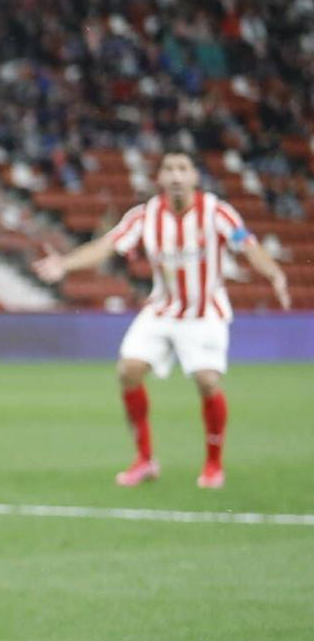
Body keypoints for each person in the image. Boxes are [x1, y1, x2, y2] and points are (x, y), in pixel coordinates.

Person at [35, 152, 291, 489]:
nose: (175, 175)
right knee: (128, 370)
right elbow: (106, 245)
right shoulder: (144, 216)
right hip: (162, 309)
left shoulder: (216, 212)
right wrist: (65, 264)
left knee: (207, 381)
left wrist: (274, 274)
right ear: (159, 178)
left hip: (204, 312)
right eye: (169, 169)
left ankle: (213, 464)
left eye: (182, 169)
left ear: (194, 177)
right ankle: (145, 460)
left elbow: (248, 245)